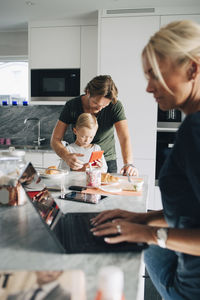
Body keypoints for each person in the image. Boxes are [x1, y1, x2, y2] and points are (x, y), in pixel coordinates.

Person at [90, 20, 200, 300]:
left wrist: (150, 235)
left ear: (192, 68)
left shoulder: (196, 129)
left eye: (155, 75)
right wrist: (143, 218)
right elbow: (192, 213)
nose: (149, 87)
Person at [51, 75, 138, 176]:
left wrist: (128, 163)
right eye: (95, 103)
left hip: (105, 162)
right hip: (79, 162)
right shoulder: (72, 106)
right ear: (88, 92)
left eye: (104, 106)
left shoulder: (115, 106)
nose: (100, 108)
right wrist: (66, 156)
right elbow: (55, 139)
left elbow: (124, 137)